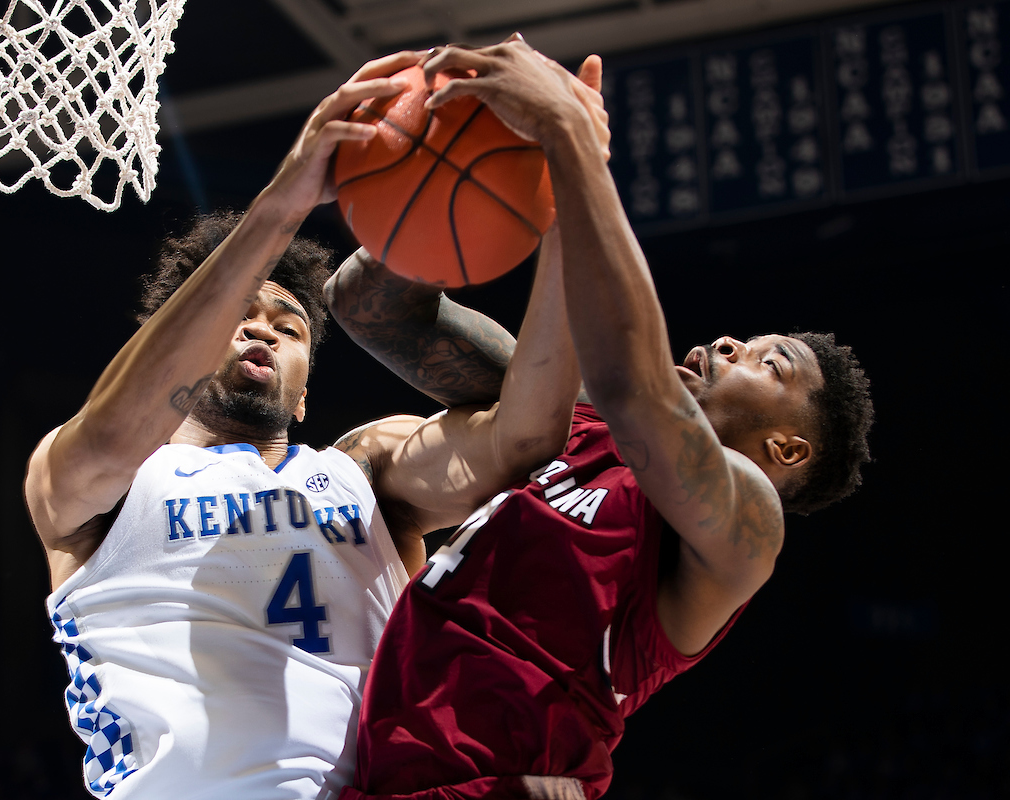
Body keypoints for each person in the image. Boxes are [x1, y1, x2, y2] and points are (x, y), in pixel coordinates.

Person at [22, 50, 592, 800]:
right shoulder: (103, 485)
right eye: (237, 315)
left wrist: (574, 181)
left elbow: (533, 435)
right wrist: (283, 203)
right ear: (184, 337)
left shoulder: (367, 471)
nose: (260, 332)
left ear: (303, 395)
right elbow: (113, 427)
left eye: (286, 326)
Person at [326, 40, 874, 800]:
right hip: (382, 774)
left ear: (785, 446)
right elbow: (368, 308)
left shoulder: (744, 525)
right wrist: (458, 161)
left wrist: (571, 139)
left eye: (766, 362)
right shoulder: (578, 422)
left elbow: (632, 384)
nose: (727, 343)